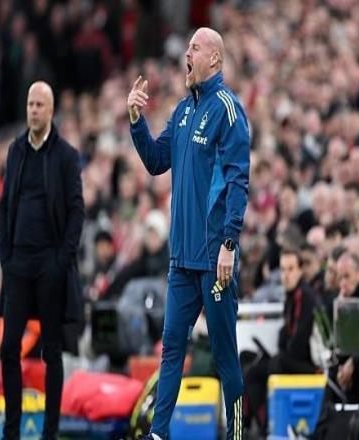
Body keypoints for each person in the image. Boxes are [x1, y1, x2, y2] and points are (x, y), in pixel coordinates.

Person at [127, 27, 250, 440]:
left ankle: (236, 435)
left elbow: (238, 181)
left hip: (214, 257)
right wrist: (136, 121)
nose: (187, 53)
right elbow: (155, 161)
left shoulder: (227, 110)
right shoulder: (182, 111)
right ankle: (158, 434)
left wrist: (229, 243)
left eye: (194, 47)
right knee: (171, 350)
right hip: (181, 259)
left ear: (213, 58)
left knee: (224, 356)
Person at [0, 81, 84, 440]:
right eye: (30, 104)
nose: (33, 110)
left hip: (50, 264)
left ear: (51, 111)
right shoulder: (16, 150)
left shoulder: (66, 155)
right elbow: (5, 205)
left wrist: (62, 260)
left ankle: (49, 433)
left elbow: (77, 211)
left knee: (52, 351)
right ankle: (12, 432)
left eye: (39, 105)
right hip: (17, 264)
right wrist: (5, 255)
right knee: (8, 348)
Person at [244, 248, 317, 434]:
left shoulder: (304, 296)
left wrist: (282, 349)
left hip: (309, 365)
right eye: (283, 270)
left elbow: (297, 345)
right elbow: (285, 338)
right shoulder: (291, 296)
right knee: (248, 360)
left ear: (300, 270)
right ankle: (252, 425)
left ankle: (265, 428)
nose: (286, 275)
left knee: (262, 369)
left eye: (291, 269)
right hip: (292, 359)